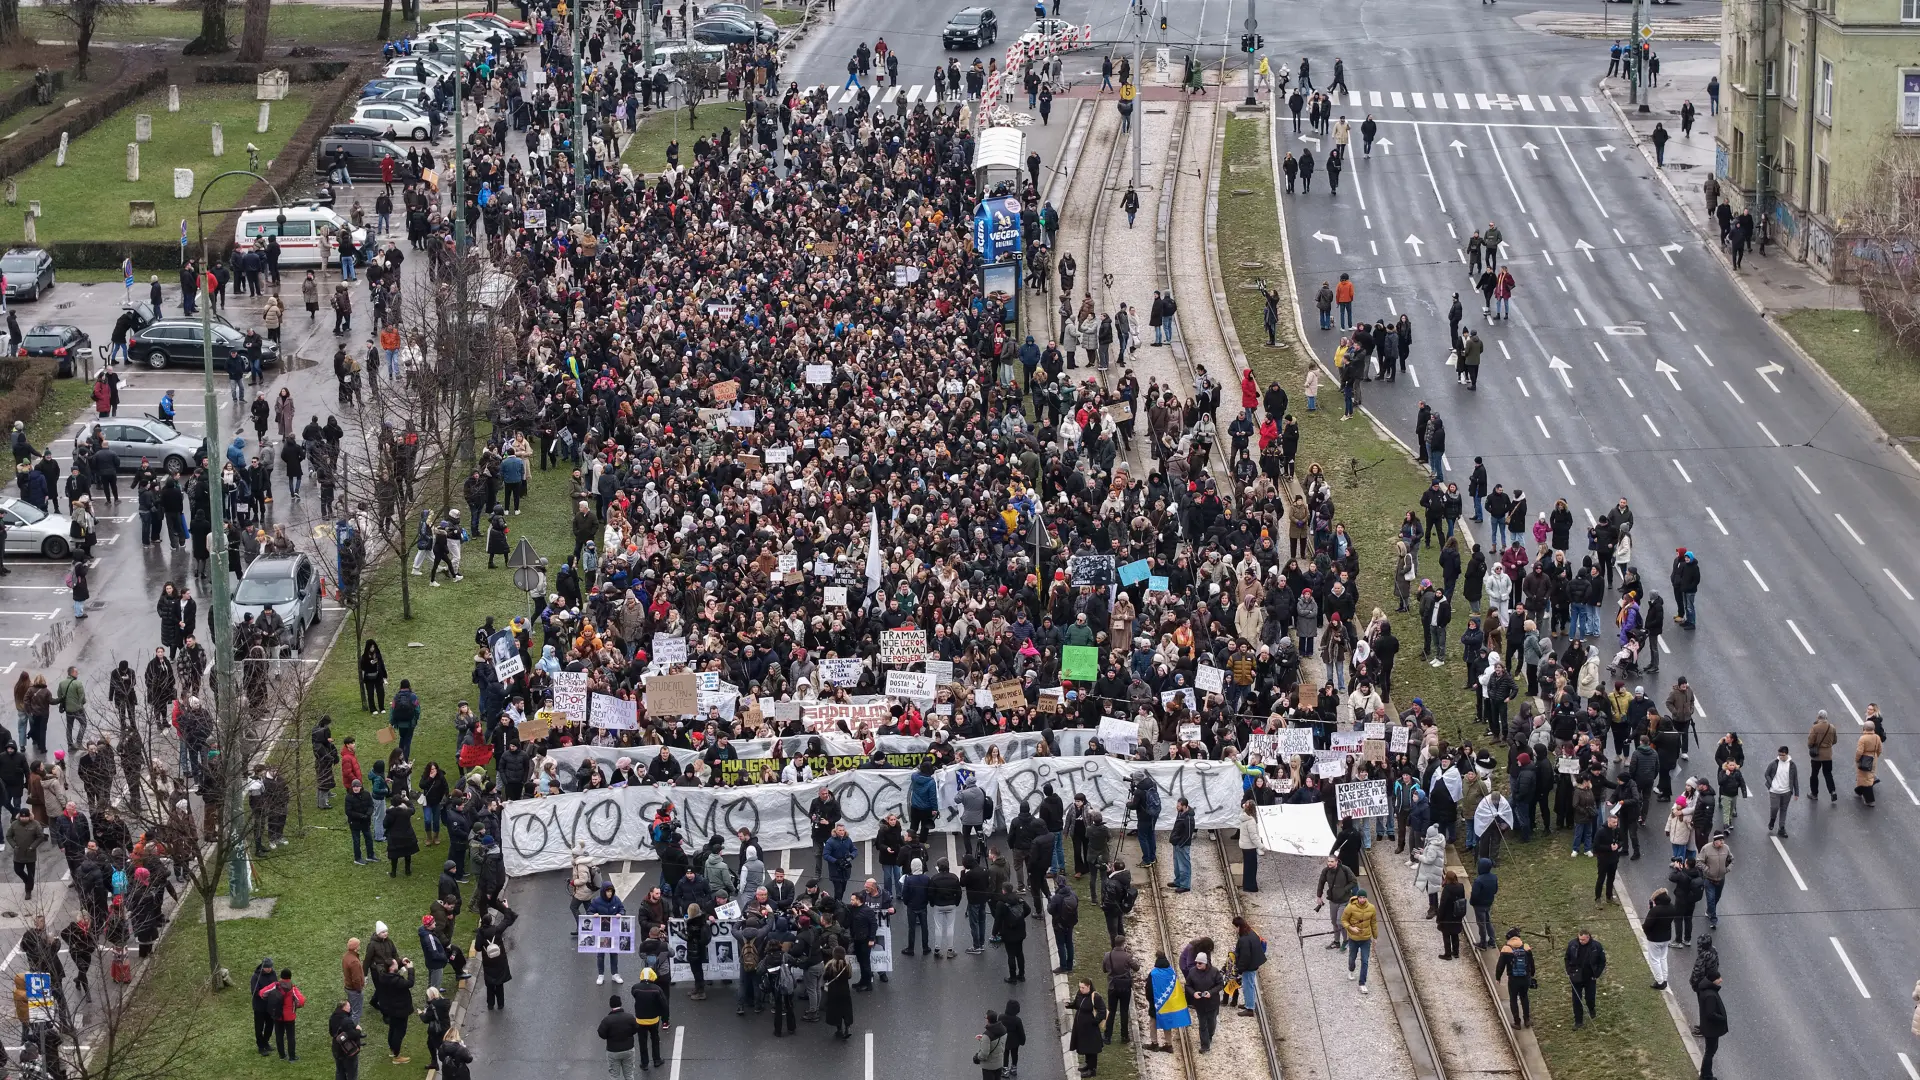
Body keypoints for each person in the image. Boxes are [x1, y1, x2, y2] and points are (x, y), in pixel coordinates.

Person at [257, 967, 307, 1061]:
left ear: (281, 976)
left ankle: (282, 1055)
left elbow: (262, 993)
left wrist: (270, 999)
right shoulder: (292, 988)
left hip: (277, 1015)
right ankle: (292, 1057)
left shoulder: (275, 985)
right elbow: (301, 1001)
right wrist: (296, 1005)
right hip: (289, 1017)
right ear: (290, 977)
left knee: (279, 1036)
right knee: (290, 1037)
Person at [1564, 928, 1607, 1028]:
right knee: (1576, 1000)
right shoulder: (1572, 944)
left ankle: (1591, 1009)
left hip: (1590, 977)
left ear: (1588, 937)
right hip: (1576, 976)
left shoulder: (1596, 946)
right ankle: (1578, 1021)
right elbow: (1567, 958)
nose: (1581, 941)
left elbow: (1602, 961)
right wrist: (1569, 971)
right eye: (1579, 939)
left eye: (1583, 940)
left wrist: (1597, 974)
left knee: (1590, 997)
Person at [1493, 928, 1535, 1028]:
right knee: (1524, 997)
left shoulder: (1506, 949)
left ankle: (1517, 1022)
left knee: (1513, 999)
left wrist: (1498, 977)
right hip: (1525, 978)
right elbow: (1531, 963)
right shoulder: (1526, 947)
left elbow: (1500, 966)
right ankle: (1527, 1020)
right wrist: (1531, 974)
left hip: (1513, 979)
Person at [1341, 887, 1377, 993]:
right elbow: (1344, 920)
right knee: (1352, 958)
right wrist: (1351, 928)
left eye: (1364, 897)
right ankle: (1351, 969)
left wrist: (1375, 937)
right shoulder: (1350, 907)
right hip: (1353, 938)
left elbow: (1373, 923)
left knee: (1365, 961)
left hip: (1366, 938)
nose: (1362, 899)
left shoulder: (1371, 908)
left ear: (1366, 898)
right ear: (1357, 898)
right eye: (1360, 897)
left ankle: (1362, 983)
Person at [1068, 979, 1107, 1075]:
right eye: (1080, 987)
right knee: (1086, 1046)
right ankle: (1088, 1065)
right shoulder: (1080, 994)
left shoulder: (1095, 997)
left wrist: (1094, 1022)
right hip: (1081, 1028)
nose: (1081, 989)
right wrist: (1070, 1005)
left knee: (1092, 1048)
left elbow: (1102, 1011)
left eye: (1083, 987)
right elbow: (1078, 1005)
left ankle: (1092, 1070)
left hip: (1091, 1028)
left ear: (1088, 987)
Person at [598, 993, 640, 1080]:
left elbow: (601, 1034)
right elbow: (636, 1028)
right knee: (629, 1075)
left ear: (610, 1005)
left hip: (613, 1051)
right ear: (620, 1004)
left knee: (614, 1076)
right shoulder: (629, 1017)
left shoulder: (607, 1020)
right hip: (628, 1050)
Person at [1763, 745, 1798, 837]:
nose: (1780, 757)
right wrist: (1772, 784)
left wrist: (1796, 792)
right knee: (1774, 808)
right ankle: (1772, 820)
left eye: (1782, 755)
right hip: (1774, 791)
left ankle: (1781, 828)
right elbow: (1766, 774)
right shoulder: (1774, 763)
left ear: (1787, 754)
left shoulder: (1792, 765)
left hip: (1786, 792)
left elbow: (1795, 779)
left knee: (1784, 809)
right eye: (1779, 755)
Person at [1168, 796, 1194, 891]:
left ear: (1184, 806)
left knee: (1184, 865)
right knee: (1177, 865)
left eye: (1178, 806)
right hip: (1177, 843)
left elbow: (1188, 834)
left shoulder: (1188, 818)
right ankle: (1178, 881)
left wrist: (1181, 844)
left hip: (1182, 845)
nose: (1177, 807)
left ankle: (1185, 885)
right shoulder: (1181, 813)